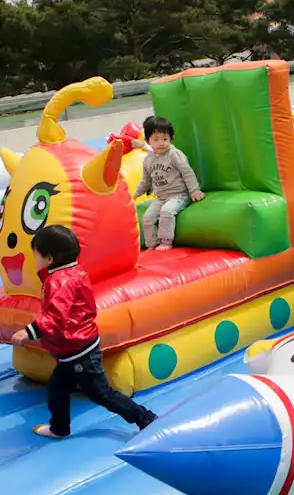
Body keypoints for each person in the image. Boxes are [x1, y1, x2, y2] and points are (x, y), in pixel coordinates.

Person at [10, 226, 157, 439]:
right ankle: (59, 428)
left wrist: (29, 331)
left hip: (79, 351)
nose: (34, 259)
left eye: (36, 255)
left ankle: (146, 419)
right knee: (57, 390)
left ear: (49, 258)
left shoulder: (61, 281)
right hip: (71, 349)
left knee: (102, 394)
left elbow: (57, 316)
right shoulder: (70, 271)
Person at [132, 116, 204, 251]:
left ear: (171, 138)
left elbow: (187, 172)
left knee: (167, 211)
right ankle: (152, 244)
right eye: (156, 140)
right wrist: (135, 194)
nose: (161, 143)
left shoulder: (174, 155)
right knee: (147, 218)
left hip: (179, 195)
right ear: (147, 141)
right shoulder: (148, 159)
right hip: (161, 197)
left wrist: (194, 191)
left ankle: (166, 242)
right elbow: (146, 180)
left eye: (165, 139)